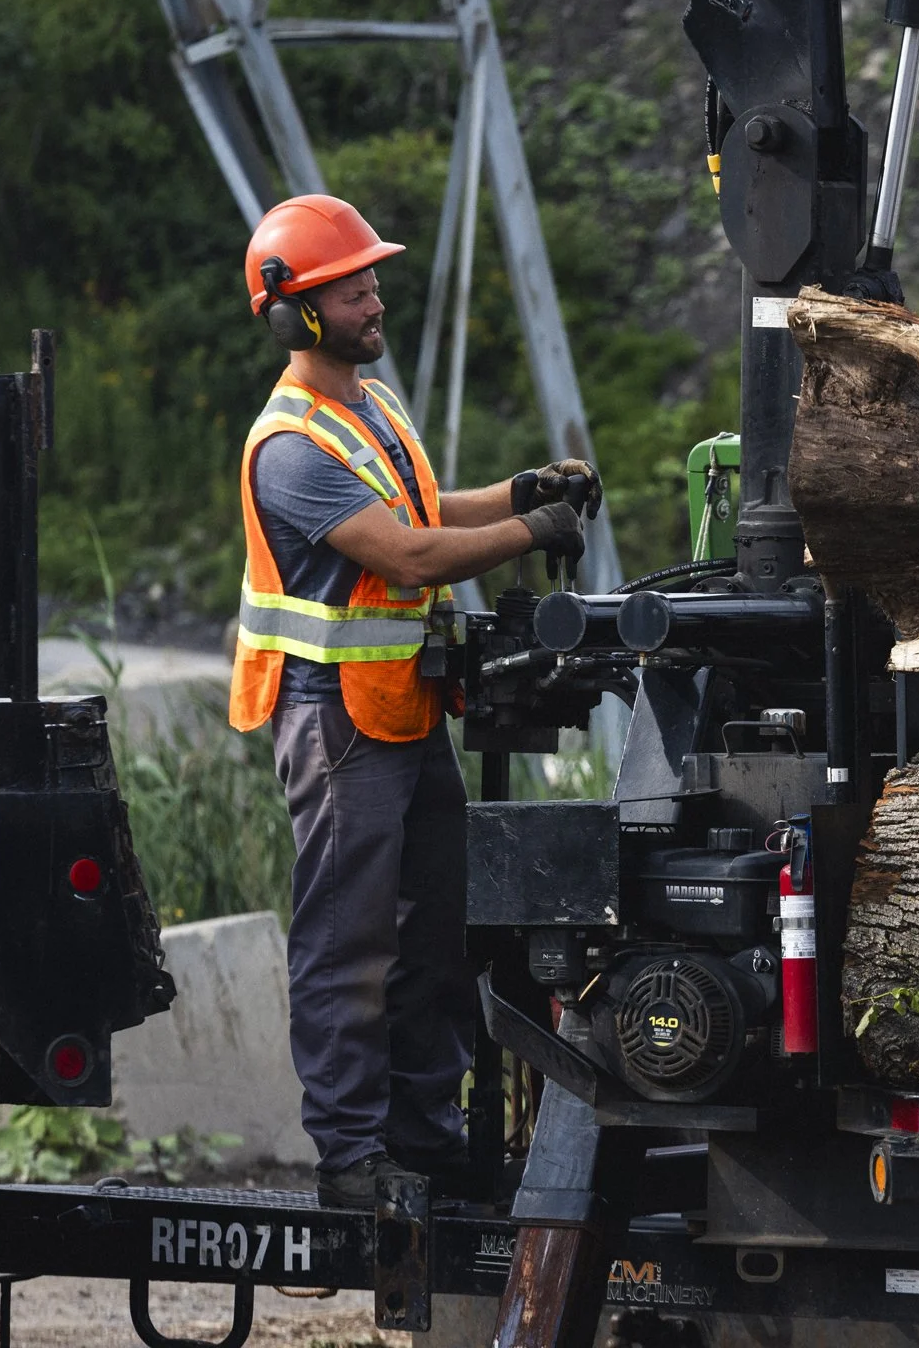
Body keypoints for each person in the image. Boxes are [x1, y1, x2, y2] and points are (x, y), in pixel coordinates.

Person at [226, 193, 597, 1209]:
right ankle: (351, 1159)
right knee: (348, 943)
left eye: (371, 278)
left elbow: (427, 511)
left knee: (434, 929)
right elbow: (404, 551)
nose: (373, 296)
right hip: (337, 720)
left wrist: (518, 493)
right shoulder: (292, 446)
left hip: (398, 709)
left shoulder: (366, 404)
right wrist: (531, 535)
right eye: (350, 288)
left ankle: (420, 1136)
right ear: (295, 313)